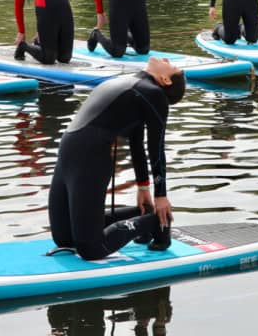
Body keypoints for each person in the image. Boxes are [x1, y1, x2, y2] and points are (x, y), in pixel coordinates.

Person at [47, 57, 186, 261]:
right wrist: (142, 187)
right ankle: (143, 214)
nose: (166, 59)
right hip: (68, 153)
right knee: (64, 238)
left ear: (165, 79)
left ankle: (156, 222)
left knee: (92, 249)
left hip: (91, 157)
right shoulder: (131, 84)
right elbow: (135, 144)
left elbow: (155, 148)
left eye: (172, 65)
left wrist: (160, 196)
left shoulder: (154, 94)